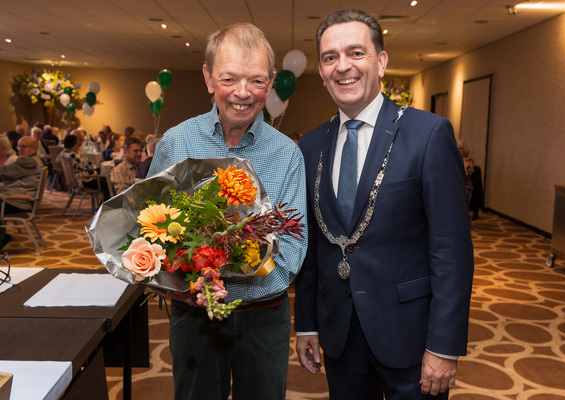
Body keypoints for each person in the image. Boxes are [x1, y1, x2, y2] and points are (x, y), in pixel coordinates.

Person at [294, 9, 474, 400]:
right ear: (322, 70)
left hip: (410, 336)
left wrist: (443, 345)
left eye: (356, 53)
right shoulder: (310, 145)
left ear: (381, 60)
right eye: (330, 57)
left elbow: (451, 251)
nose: (343, 67)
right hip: (339, 334)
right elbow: (311, 248)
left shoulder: (428, 134)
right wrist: (306, 324)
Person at [147, 22, 307, 400]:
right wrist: (184, 283)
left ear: (269, 84)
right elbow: (149, 223)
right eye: (229, 78)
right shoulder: (176, 141)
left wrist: (227, 279)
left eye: (255, 81)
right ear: (208, 78)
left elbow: (293, 251)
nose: (242, 93)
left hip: (264, 317)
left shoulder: (287, 155)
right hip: (194, 313)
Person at [0, 136, 44, 249]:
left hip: (17, 201)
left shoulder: (29, 162)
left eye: (23, 146)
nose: (19, 149)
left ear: (34, 149)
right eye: (18, 146)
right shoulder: (35, 160)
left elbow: (4, 173)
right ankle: (2, 236)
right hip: (16, 199)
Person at [58, 134, 110, 200]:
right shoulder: (73, 155)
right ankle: (105, 207)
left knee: (105, 180)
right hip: (83, 180)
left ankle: (102, 205)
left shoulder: (65, 154)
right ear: (74, 144)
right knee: (108, 184)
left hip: (77, 179)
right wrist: (96, 169)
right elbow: (86, 167)